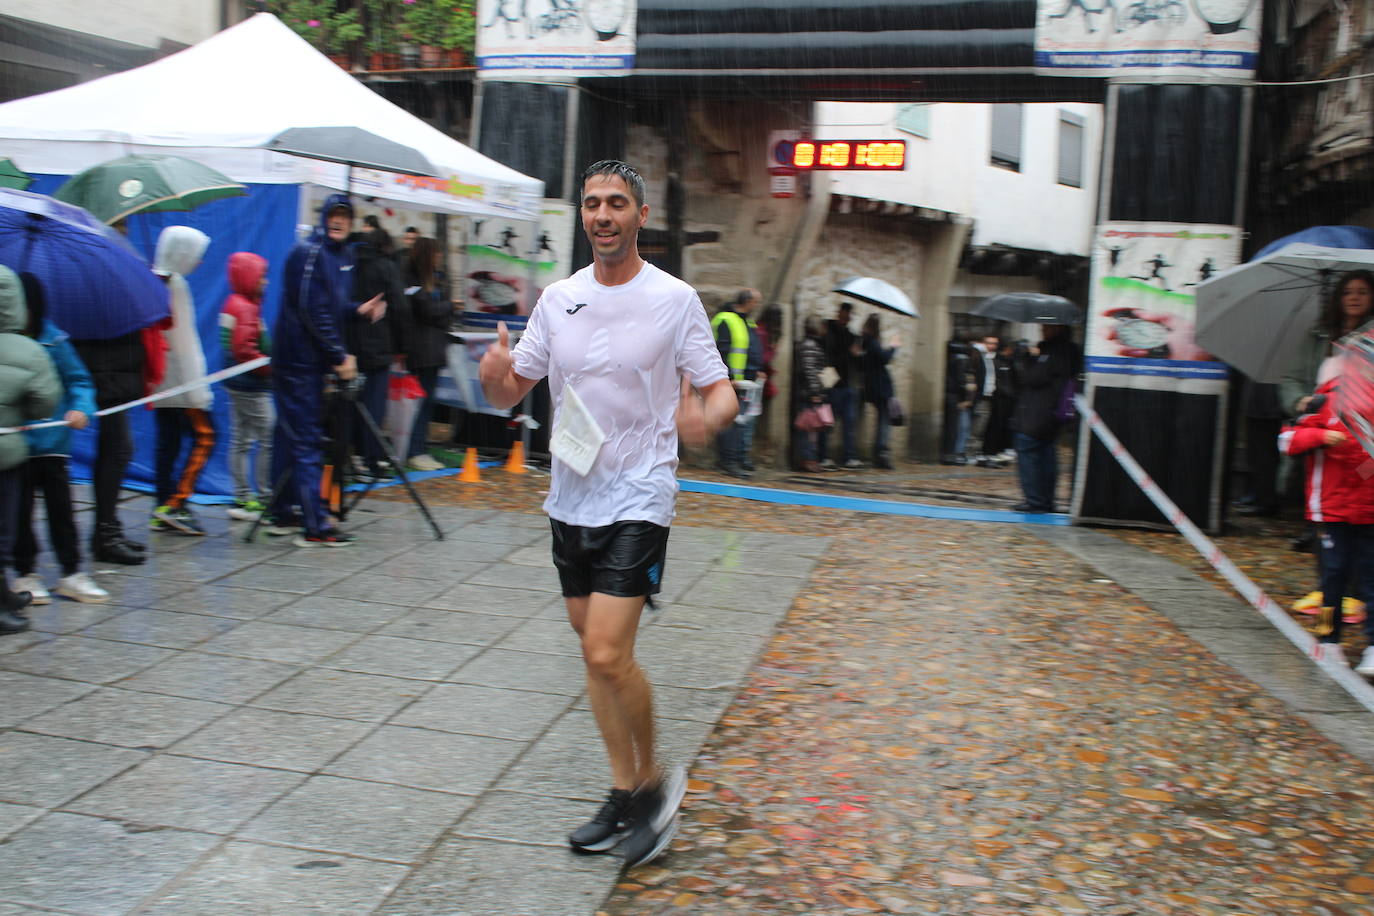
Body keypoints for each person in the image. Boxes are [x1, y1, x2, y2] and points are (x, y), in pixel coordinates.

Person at [479, 159, 737, 868]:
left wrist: (704, 420)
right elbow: (512, 390)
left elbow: (721, 393)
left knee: (605, 649)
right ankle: (622, 790)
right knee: (593, 648)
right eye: (593, 203)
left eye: (616, 203)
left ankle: (654, 784)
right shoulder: (558, 298)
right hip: (571, 492)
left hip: (641, 491)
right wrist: (494, 378)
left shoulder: (674, 299)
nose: (602, 215)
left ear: (639, 215)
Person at [269, 193, 384, 547]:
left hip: (309, 360)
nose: (338, 221)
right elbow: (310, 309)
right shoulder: (310, 253)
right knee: (305, 439)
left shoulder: (340, 256)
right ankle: (316, 524)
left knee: (291, 437)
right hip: (298, 361)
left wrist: (356, 310)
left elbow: (328, 305)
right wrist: (338, 355)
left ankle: (284, 509)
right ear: (323, 218)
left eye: (344, 216)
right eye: (333, 215)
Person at [10, 273, 107, 604]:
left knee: (61, 512)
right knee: (18, 514)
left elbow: (80, 381)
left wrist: (81, 410)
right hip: (15, 448)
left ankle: (71, 572)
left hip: (52, 447)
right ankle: (26, 573)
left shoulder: (55, 341)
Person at [1280, 375, 1374, 674]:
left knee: (1371, 579)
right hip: (1330, 510)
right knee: (1332, 577)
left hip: (1369, 510)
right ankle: (1327, 639)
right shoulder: (1325, 400)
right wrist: (1321, 438)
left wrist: (1365, 465)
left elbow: (1365, 465)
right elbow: (1287, 440)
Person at [0, 266, 62, 633]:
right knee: (3, 534)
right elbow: (44, 405)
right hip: (6, 457)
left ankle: (5, 594)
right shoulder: (29, 351)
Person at [149, 226, 215, 536]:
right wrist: (197, 392)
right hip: (181, 385)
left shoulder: (152, 281)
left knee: (168, 444)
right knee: (205, 438)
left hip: (161, 383)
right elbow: (184, 344)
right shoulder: (175, 286)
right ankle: (174, 503)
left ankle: (163, 505)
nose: (199, 262)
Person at [219, 251, 274, 519]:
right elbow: (244, 349)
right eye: (262, 276)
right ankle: (264, 496)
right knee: (267, 435)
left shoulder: (235, 302)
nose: (265, 282)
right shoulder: (246, 306)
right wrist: (270, 368)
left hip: (236, 383)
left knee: (240, 440)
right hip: (251, 384)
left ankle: (242, 496)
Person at [350, 225, 406, 479]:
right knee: (373, 404)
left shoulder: (348, 264)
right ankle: (371, 458)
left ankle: (352, 456)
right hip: (378, 343)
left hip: (350, 343)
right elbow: (400, 306)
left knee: (352, 403)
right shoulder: (385, 267)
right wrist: (401, 344)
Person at [1010, 324, 1080, 513]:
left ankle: (1035, 500)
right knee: (1046, 453)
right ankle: (1045, 499)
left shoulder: (1052, 353)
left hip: (1038, 412)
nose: (1042, 329)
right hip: (1052, 412)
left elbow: (1033, 378)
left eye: (1046, 326)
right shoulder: (1069, 352)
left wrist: (1028, 358)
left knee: (1029, 451)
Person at [400, 237, 452, 472]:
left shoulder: (435, 281)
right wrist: (448, 307)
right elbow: (429, 310)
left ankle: (418, 447)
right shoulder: (413, 280)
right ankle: (414, 450)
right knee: (418, 403)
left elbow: (436, 311)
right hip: (421, 351)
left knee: (426, 402)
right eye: (436, 254)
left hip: (432, 350)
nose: (439, 258)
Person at [710, 288, 764, 478]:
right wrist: (728, 377)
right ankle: (728, 461)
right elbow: (721, 350)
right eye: (756, 301)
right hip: (732, 380)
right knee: (731, 422)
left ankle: (739, 457)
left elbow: (751, 348)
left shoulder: (747, 321)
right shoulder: (726, 319)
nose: (757, 305)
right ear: (747, 301)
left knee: (743, 422)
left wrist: (757, 368)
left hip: (747, 380)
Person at [818, 301, 862, 469]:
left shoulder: (851, 336)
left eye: (848, 316)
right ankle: (823, 456)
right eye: (843, 315)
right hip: (832, 384)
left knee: (849, 423)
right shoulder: (829, 331)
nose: (845, 318)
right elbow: (830, 356)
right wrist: (849, 354)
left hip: (847, 384)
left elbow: (856, 362)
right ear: (839, 314)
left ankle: (849, 456)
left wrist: (855, 354)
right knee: (827, 422)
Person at [859, 313, 897, 470]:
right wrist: (894, 347)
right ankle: (882, 454)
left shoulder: (865, 342)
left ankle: (879, 453)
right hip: (880, 387)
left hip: (873, 387)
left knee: (882, 420)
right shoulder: (872, 342)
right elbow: (884, 358)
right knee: (884, 421)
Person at [794, 317, 827, 473]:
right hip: (808, 394)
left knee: (810, 429)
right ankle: (807, 459)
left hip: (806, 392)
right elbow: (810, 371)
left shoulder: (811, 345)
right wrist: (815, 392)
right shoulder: (810, 346)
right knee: (809, 429)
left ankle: (809, 458)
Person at [941, 336, 975, 465]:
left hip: (950, 395)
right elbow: (961, 381)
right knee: (956, 427)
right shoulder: (962, 359)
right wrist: (966, 395)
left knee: (953, 427)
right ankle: (953, 454)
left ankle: (949, 454)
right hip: (956, 397)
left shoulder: (951, 358)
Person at [968, 334, 998, 462]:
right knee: (975, 427)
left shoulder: (994, 359)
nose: (991, 346)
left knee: (982, 427)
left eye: (994, 343)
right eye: (989, 343)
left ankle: (977, 452)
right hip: (979, 397)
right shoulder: (978, 356)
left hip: (990, 397)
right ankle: (970, 453)